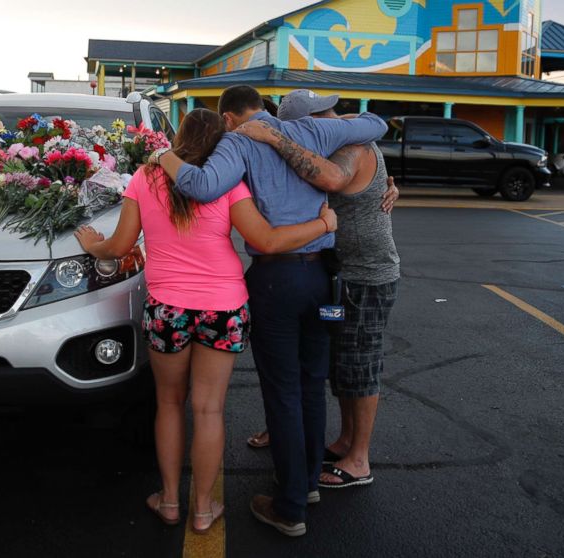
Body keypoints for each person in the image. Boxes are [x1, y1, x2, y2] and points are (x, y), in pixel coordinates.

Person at [75, 108, 336, 535]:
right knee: (209, 408)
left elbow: (120, 246)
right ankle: (202, 509)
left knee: (170, 403)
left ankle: (171, 502)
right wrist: (323, 223)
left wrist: (94, 244)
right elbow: (266, 240)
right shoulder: (229, 183)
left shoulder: (146, 176)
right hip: (223, 307)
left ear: (179, 138)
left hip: (168, 308)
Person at [151, 85, 388, 537]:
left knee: (282, 390)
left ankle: (291, 505)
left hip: (275, 278)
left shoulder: (238, 141)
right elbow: (376, 123)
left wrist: (165, 157)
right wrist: (333, 126)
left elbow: (201, 186)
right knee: (311, 383)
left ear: (230, 118)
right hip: (322, 278)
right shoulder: (311, 130)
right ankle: (306, 482)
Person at [237, 89, 400, 489]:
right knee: (337, 364)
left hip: (366, 275)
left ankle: (358, 459)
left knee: (360, 365)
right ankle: (336, 440)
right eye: (324, 114)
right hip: (334, 273)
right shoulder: (331, 145)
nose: (334, 116)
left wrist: (273, 138)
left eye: (330, 112)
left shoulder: (352, 147)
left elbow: (330, 177)